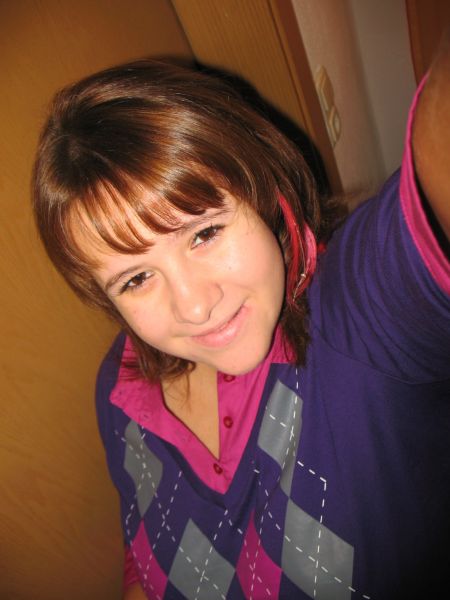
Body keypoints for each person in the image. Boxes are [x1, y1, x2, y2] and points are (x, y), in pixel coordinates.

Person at [32, 39, 450, 600]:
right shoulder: (120, 387)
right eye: (135, 279)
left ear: (264, 190)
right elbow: (144, 562)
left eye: (204, 233)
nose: (194, 307)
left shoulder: (361, 319)